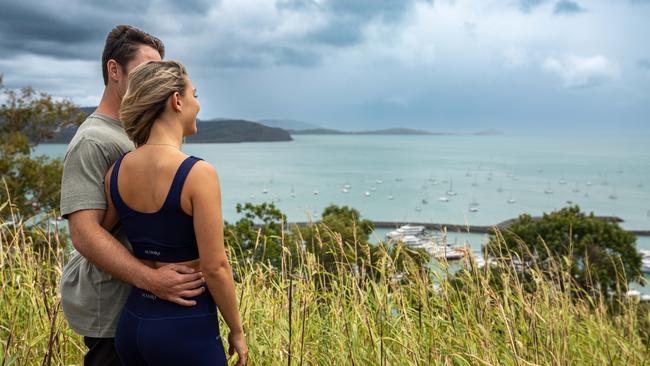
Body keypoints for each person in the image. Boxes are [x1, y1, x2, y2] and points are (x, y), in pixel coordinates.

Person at [60, 25, 206, 365]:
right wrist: (153, 280)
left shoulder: (134, 134)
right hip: (111, 307)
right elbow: (84, 233)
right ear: (115, 70)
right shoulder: (93, 140)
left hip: (143, 307)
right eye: (146, 69)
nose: (156, 78)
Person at [101, 60, 247, 365]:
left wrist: (144, 267)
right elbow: (216, 266)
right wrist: (236, 329)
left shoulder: (117, 171)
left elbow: (101, 237)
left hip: (133, 326)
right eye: (195, 94)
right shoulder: (198, 173)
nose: (198, 104)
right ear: (176, 101)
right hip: (185, 329)